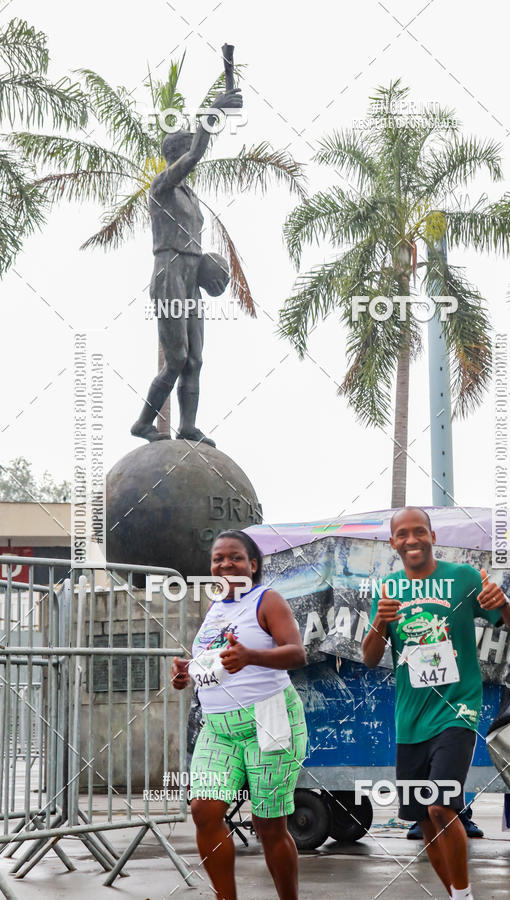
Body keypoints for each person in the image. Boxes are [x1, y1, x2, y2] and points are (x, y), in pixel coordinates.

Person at [362, 507, 510, 900]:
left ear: (432, 536)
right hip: (410, 718)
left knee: (440, 806)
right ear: (393, 543)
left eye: (419, 531)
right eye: (402, 534)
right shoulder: (388, 589)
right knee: (423, 819)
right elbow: (370, 657)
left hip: (457, 708)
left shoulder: (463, 578)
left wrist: (503, 603)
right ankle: (454, 894)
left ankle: (465, 894)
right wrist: (379, 624)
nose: (411, 539)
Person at [171, 529, 307, 900]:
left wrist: (251, 656)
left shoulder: (268, 600)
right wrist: (189, 673)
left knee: (268, 825)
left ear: (253, 564)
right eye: (218, 559)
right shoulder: (216, 611)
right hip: (219, 728)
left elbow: (296, 653)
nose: (225, 564)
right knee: (204, 810)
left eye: (234, 557)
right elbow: (217, 661)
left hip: (269, 720)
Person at [131, 85, 242, 444]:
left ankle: (188, 426)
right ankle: (143, 423)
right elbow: (195, 155)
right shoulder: (161, 186)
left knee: (195, 360)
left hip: (191, 275)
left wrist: (209, 267)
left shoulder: (191, 197)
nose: (194, 157)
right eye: (187, 150)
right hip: (169, 274)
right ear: (176, 155)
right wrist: (214, 111)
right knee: (176, 359)